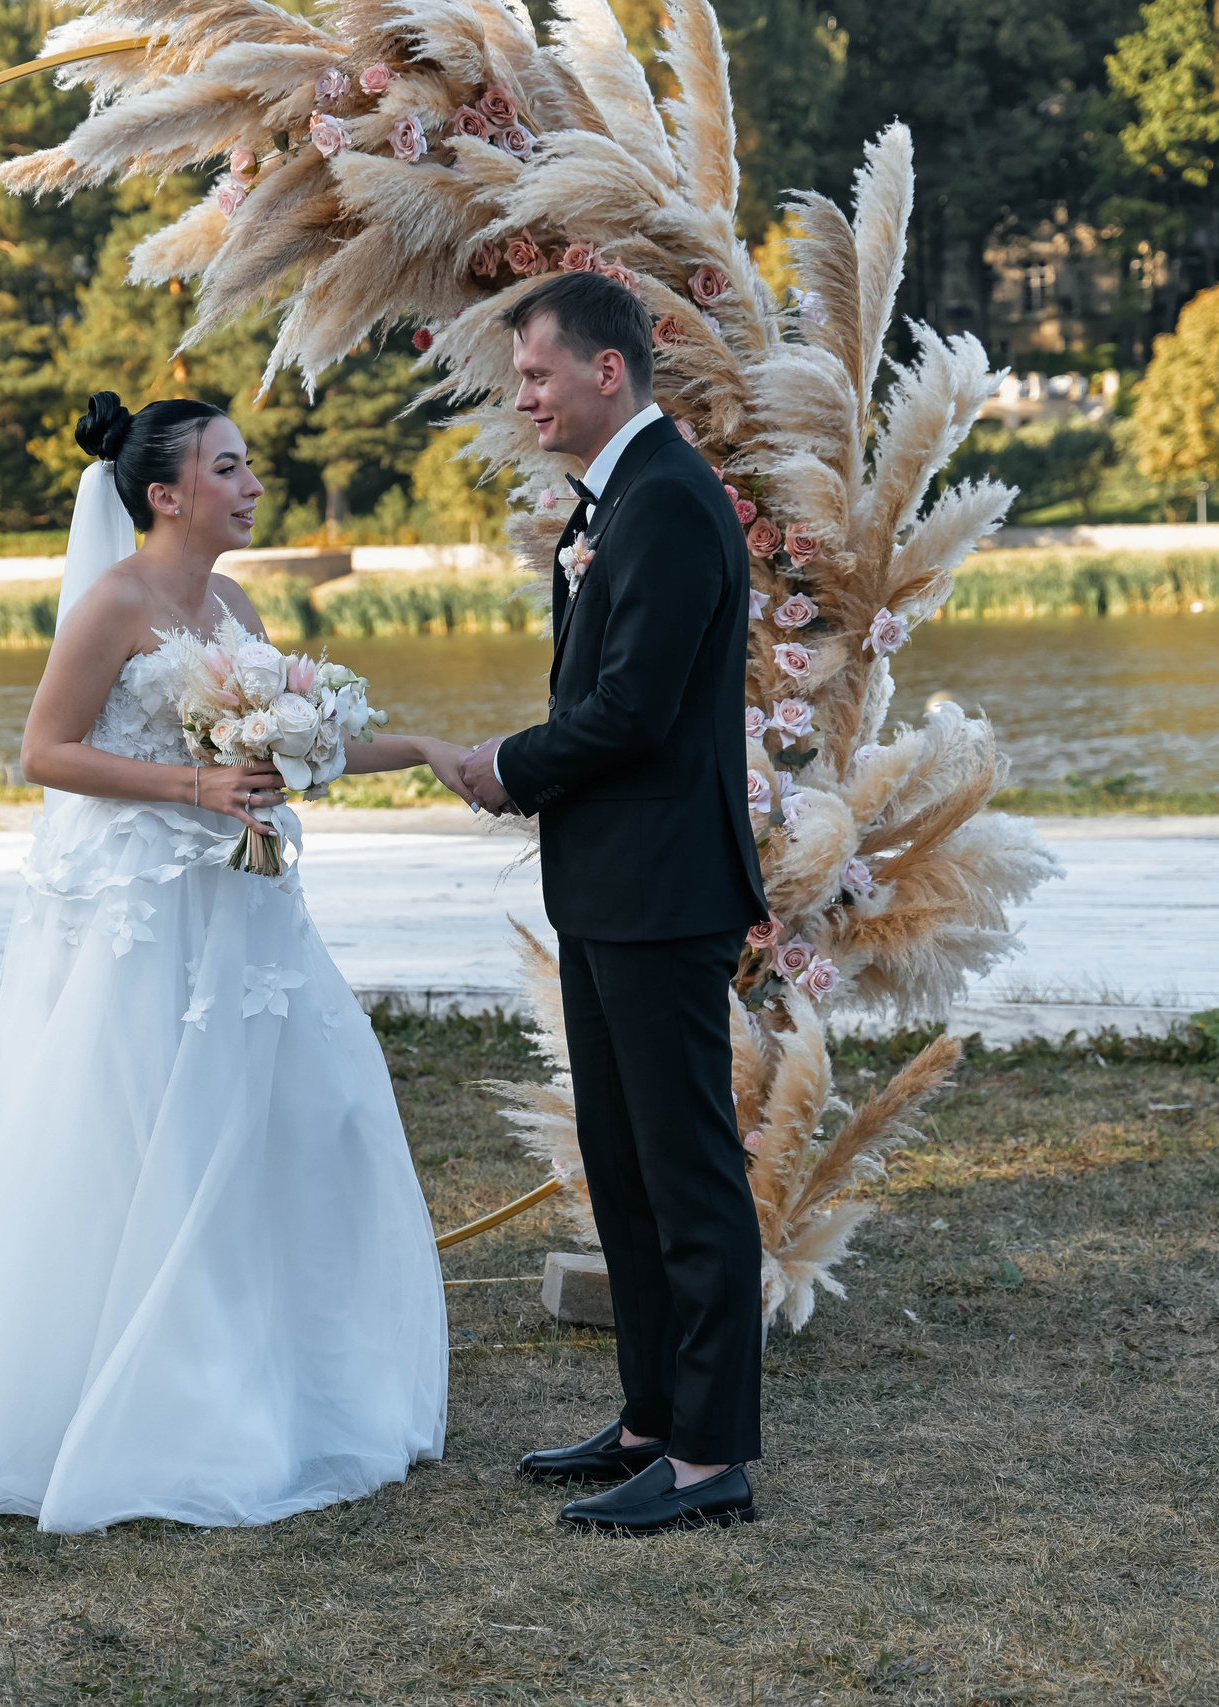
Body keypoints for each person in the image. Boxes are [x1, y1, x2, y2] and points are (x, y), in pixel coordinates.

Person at [0, 393, 467, 1532]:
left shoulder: (235, 601)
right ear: (165, 494)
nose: (251, 485)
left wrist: (426, 750)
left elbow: (301, 740)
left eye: (250, 466)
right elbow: (45, 751)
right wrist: (198, 786)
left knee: (297, 1120)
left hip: (245, 914)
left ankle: (281, 1386)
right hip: (145, 916)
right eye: (230, 468)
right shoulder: (113, 601)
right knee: (148, 1135)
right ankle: (131, 1399)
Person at [450, 272, 770, 1534]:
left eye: (535, 374)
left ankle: (709, 1459)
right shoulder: (621, 501)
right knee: (622, 1167)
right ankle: (649, 1419)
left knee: (687, 1175)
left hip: (662, 889)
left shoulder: (671, 507)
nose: (521, 397)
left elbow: (633, 710)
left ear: (606, 371)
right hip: (610, 887)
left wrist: (509, 766)